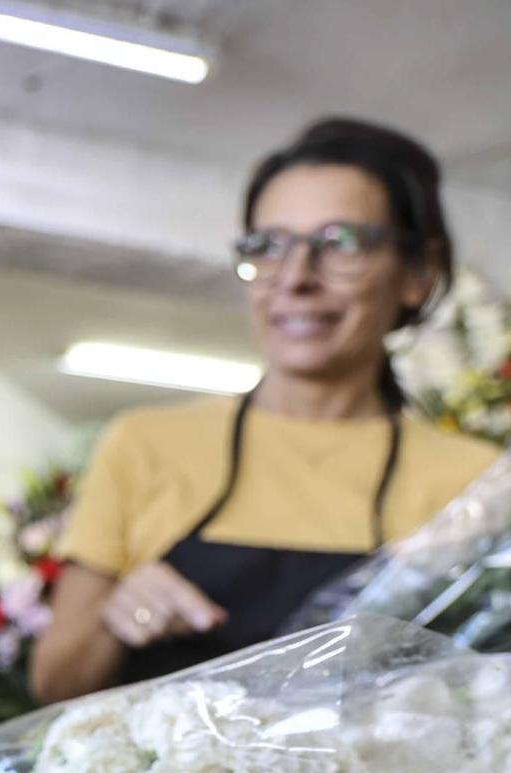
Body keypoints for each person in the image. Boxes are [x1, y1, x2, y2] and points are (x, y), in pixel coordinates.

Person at [31, 118, 498, 702]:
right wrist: (114, 619)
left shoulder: (479, 487)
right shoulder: (146, 445)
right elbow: (54, 683)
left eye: (340, 244)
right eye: (268, 246)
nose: (296, 277)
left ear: (416, 274)